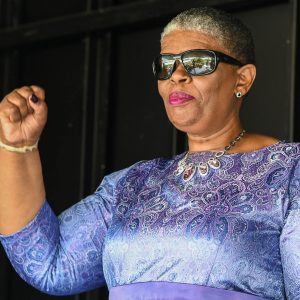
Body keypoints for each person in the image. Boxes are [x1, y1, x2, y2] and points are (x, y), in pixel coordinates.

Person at [0, 6, 299, 300]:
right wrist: (17, 147)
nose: (177, 75)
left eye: (197, 62)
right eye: (166, 65)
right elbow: (48, 263)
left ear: (242, 79)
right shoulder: (133, 184)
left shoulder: (288, 173)